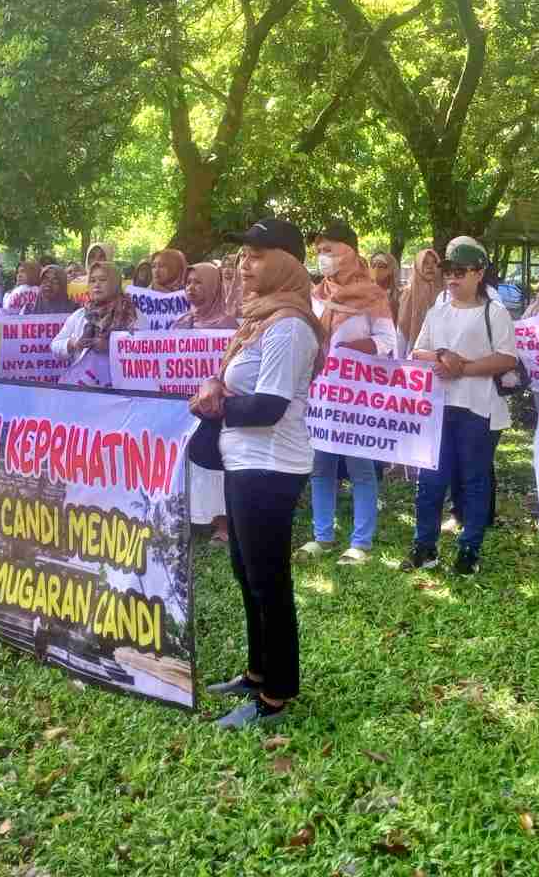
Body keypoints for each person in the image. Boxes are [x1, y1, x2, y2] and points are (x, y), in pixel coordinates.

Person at [192, 218, 324, 729]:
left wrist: (217, 403)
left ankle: (276, 695)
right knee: (247, 574)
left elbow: (269, 407)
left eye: (257, 255)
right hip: (243, 461)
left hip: (270, 467)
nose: (244, 265)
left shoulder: (290, 327)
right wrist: (215, 384)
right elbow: (234, 381)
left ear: (287, 263)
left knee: (269, 580)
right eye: (243, 255)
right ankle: (255, 671)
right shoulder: (261, 321)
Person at [403, 237, 518, 576]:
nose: (452, 279)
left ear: (479, 273)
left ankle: (469, 549)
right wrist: (441, 356)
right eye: (449, 273)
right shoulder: (437, 312)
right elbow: (417, 352)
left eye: (460, 272)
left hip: (478, 408)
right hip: (439, 406)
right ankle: (425, 546)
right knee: (431, 481)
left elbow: (506, 357)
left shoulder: (493, 312)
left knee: (474, 481)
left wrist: (462, 367)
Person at [301, 219, 398, 565]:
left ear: (350, 252)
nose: (322, 256)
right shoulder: (316, 294)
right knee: (321, 466)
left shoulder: (373, 295)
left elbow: (390, 343)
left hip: (357, 396)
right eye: (319, 250)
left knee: (360, 468)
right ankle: (322, 537)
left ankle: (361, 542)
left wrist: (358, 347)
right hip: (320, 395)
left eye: (329, 249)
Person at [174, 262, 239, 544]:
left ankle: (223, 523)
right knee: (188, 460)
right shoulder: (179, 323)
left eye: (199, 282)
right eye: (188, 282)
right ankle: (193, 517)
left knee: (213, 461)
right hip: (184, 406)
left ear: (214, 286)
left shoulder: (229, 325)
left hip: (215, 407)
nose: (191, 288)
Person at [50, 261, 148, 386]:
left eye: (102, 280)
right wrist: (73, 343)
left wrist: (110, 347)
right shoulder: (81, 314)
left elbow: (144, 352)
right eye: (92, 280)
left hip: (119, 390)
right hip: (83, 389)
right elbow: (55, 346)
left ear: (114, 283)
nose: (96, 285)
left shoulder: (133, 315)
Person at [396, 247, 441, 358]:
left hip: (441, 352)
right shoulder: (409, 292)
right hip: (414, 351)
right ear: (418, 266)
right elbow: (403, 327)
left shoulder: (445, 291)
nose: (430, 267)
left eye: (434, 262)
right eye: (425, 263)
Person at [369, 251, 401, 321]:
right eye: (373, 266)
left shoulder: (399, 297)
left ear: (391, 270)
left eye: (381, 266)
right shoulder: (364, 295)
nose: (376, 269)